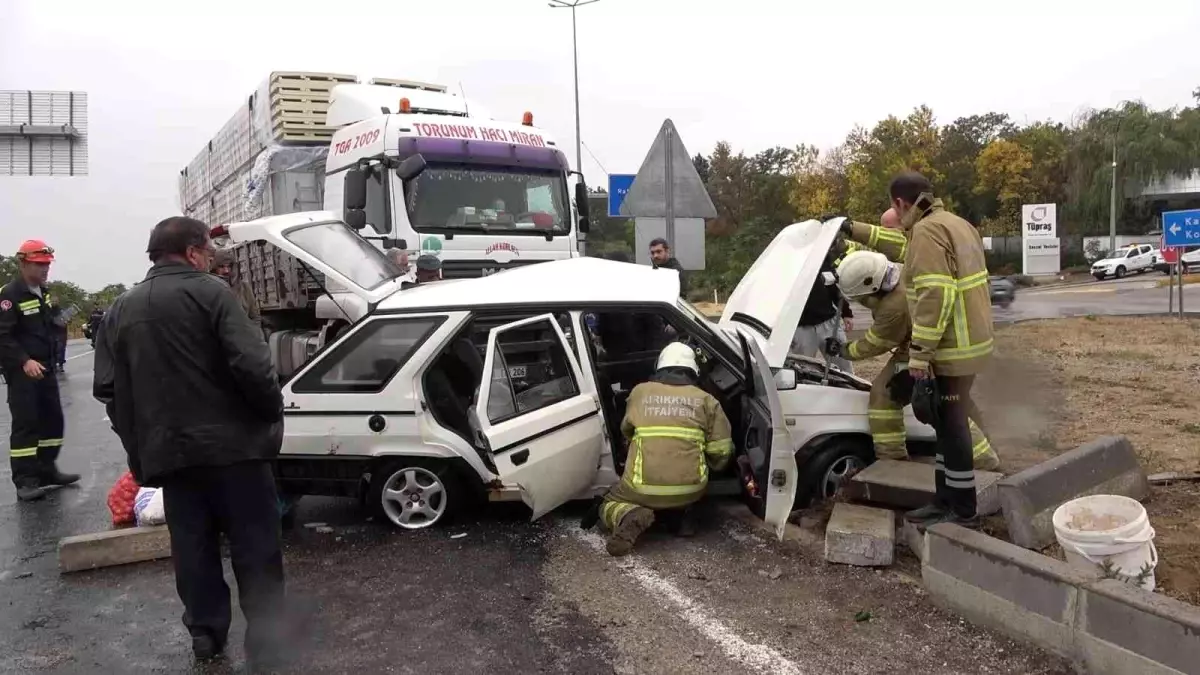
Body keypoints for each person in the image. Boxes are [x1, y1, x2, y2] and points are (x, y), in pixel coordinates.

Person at [93, 217, 289, 665]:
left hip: (171, 457)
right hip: (236, 452)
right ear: (194, 251)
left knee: (193, 547)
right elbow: (255, 368)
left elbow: (106, 386)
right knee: (255, 544)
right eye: (207, 250)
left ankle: (205, 635)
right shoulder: (214, 294)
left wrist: (141, 439)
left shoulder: (122, 308)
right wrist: (268, 420)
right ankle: (265, 637)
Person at [887, 171, 994, 528]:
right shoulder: (957, 224)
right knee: (946, 426)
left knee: (951, 425)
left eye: (894, 208)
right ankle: (944, 499)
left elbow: (937, 295)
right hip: (970, 342)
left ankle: (962, 509)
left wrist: (919, 354)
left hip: (952, 348)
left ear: (901, 203)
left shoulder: (926, 232)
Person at [834, 250, 998, 470]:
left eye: (862, 299)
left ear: (872, 290)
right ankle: (984, 450)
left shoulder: (893, 307)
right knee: (954, 400)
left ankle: (894, 461)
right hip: (946, 342)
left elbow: (875, 343)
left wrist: (843, 350)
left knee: (894, 397)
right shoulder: (901, 270)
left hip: (931, 349)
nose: (863, 304)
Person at [598, 342, 733, 556]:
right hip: (691, 490)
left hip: (641, 488)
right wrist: (712, 469)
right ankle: (683, 516)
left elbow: (626, 431)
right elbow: (721, 451)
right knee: (689, 484)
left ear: (659, 367)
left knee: (608, 502)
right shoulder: (707, 400)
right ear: (694, 370)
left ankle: (628, 515)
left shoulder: (640, 392)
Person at [0, 240, 80, 501]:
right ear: (23, 263)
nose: (45, 269)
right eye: (39, 265)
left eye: (47, 265)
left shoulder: (43, 292)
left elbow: (48, 325)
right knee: (27, 424)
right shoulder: (9, 295)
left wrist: (59, 320)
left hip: (46, 367)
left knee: (52, 419)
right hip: (23, 371)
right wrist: (24, 360)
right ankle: (25, 479)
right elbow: (4, 336)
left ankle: (47, 470)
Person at [790, 246, 854, 374]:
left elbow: (833, 286)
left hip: (829, 323)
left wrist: (846, 313)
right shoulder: (786, 262)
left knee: (844, 370)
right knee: (802, 372)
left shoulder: (819, 256)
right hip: (800, 328)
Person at [210, 248, 262, 333]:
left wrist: (254, 334)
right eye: (222, 266)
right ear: (214, 268)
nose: (226, 271)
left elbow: (255, 316)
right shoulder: (209, 289)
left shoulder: (244, 288)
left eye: (229, 266)